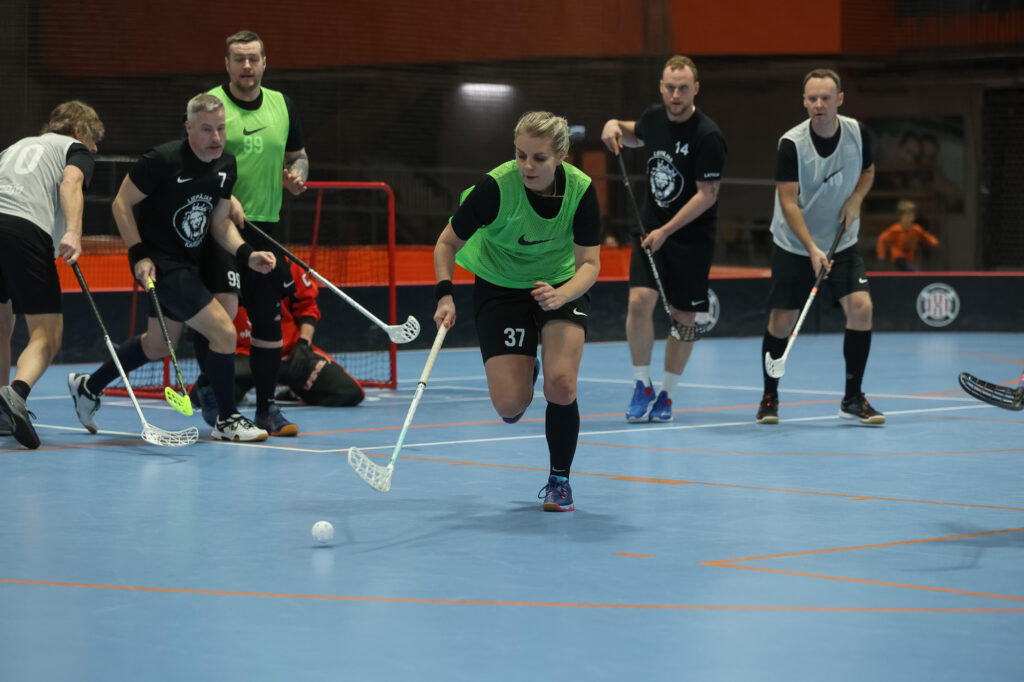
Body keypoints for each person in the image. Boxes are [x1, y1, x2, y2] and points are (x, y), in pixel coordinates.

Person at [67, 94, 276, 442]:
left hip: (190, 262)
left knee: (158, 346)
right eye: (206, 129)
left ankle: (88, 386)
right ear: (189, 127)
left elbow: (219, 223)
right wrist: (139, 254)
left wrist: (247, 253)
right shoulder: (162, 160)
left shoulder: (226, 164)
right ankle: (227, 420)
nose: (216, 138)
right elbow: (121, 204)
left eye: (221, 128)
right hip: (160, 264)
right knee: (224, 332)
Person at [433, 111, 601, 512]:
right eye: (521, 155)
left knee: (562, 384)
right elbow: (446, 244)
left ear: (560, 156)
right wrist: (445, 295)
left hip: (560, 285)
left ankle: (559, 480)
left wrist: (561, 295)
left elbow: (590, 264)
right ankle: (526, 371)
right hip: (500, 286)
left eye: (539, 158)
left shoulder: (581, 191)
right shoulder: (495, 188)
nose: (528, 165)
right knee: (509, 405)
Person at [191, 29, 310, 437]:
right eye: (239, 59)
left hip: (266, 226)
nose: (246, 66)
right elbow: (194, 161)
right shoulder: (210, 105)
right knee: (221, 312)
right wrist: (224, 196)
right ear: (226, 64)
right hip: (218, 226)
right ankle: (210, 389)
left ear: (264, 63)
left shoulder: (283, 105)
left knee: (268, 320)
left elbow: (298, 156)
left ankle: (266, 409)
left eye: (253, 58)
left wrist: (298, 176)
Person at [600, 55, 726, 423]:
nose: (675, 94)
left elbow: (707, 195)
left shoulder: (708, 135)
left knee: (682, 317)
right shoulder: (654, 118)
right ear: (661, 87)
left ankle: (668, 393)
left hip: (691, 239)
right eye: (670, 87)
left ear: (695, 89)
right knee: (639, 301)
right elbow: (632, 132)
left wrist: (666, 231)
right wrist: (612, 125)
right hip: (650, 229)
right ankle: (642, 384)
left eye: (683, 88)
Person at [757, 68, 884, 426]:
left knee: (861, 308)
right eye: (812, 98)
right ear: (804, 101)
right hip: (795, 244)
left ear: (839, 99)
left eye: (825, 98)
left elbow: (868, 172)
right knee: (782, 320)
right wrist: (812, 248)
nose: (818, 104)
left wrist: (856, 199)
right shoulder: (791, 144)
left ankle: (853, 398)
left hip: (842, 241)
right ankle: (769, 397)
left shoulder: (858, 134)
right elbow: (788, 202)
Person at [0, 101, 104, 448]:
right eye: (93, 140)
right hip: (25, 228)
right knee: (48, 334)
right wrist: (74, 232)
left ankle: (1, 412)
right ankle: (16, 394)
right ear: (78, 131)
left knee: (1, 325)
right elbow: (71, 182)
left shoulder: (14, 147)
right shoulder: (74, 149)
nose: (95, 149)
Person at [227, 260, 364, 407]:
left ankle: (296, 391)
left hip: (290, 356)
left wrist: (303, 344)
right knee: (211, 397)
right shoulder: (225, 264)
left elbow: (307, 307)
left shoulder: (286, 264)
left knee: (350, 392)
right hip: (245, 357)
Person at [876, 199, 939, 270]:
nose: (908, 218)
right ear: (900, 217)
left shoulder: (916, 229)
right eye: (906, 216)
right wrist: (881, 255)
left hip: (910, 259)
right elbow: (882, 239)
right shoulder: (895, 230)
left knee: (912, 269)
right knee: (910, 268)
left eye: (911, 215)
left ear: (914, 217)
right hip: (898, 259)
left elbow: (925, 236)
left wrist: (934, 242)